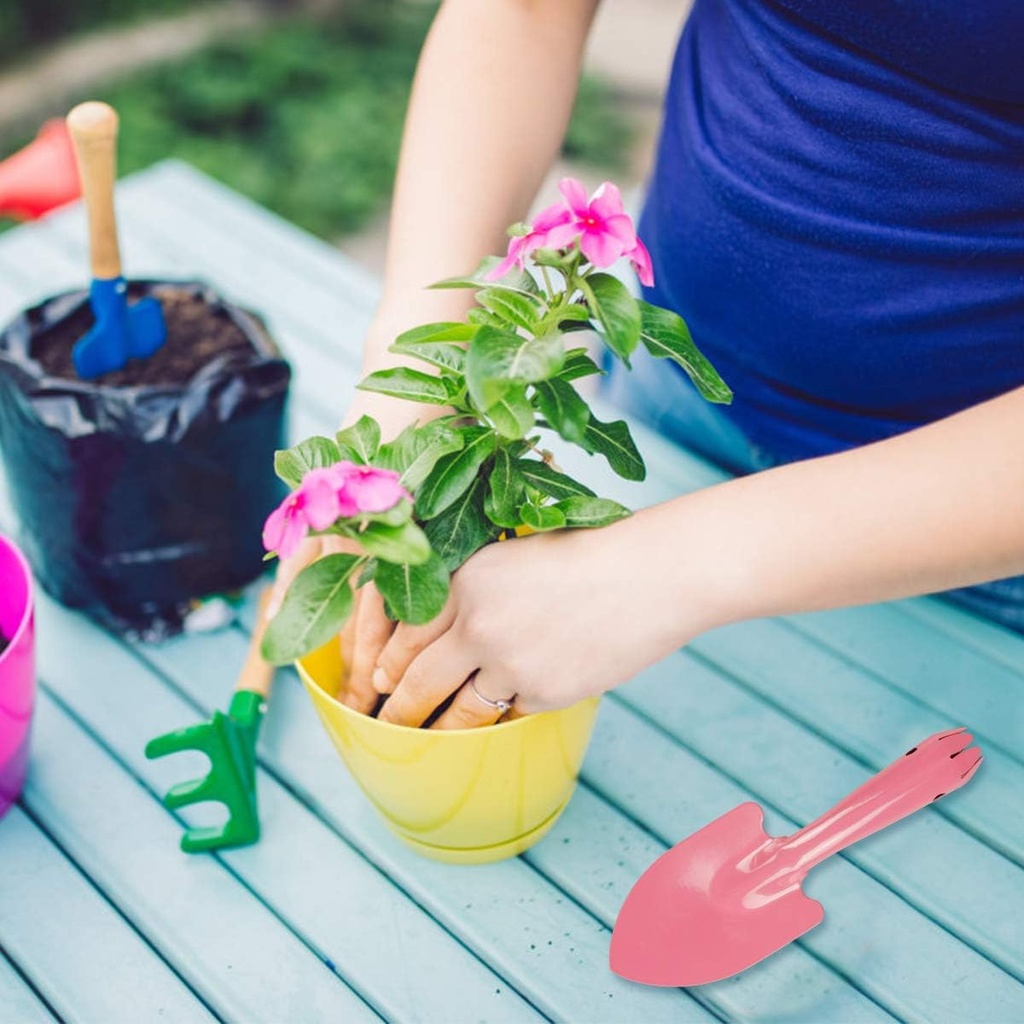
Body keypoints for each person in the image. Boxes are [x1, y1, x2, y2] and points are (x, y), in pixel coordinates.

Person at [272, 0, 1024, 730]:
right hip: (674, 392)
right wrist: (417, 371)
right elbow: (528, 10)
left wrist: (663, 571)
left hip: (975, 540)